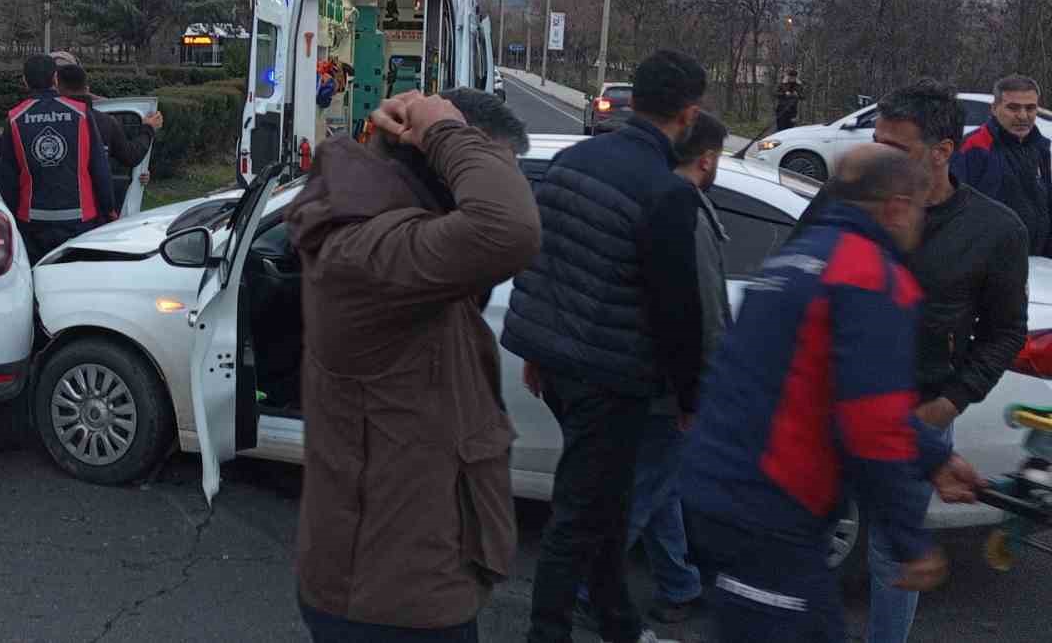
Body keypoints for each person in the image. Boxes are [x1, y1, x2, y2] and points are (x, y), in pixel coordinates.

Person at [683, 144, 982, 643]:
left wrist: (932, 456)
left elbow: (834, 392)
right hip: (770, 506)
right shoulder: (870, 276)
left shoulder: (797, 257)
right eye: (920, 208)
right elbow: (870, 425)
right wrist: (910, 539)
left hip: (724, 492)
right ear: (896, 206)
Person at [286, 88, 541, 642]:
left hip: (409, 576)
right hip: (389, 602)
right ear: (442, 167)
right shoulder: (364, 255)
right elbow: (509, 229)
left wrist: (443, 139)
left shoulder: (395, 234)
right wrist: (448, 130)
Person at [791, 80, 1028, 643]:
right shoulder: (844, 201)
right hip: (830, 411)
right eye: (874, 143)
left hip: (920, 415)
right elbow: (799, 278)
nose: (875, 159)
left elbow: (1004, 332)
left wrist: (948, 404)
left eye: (894, 149)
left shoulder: (995, 231)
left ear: (942, 151)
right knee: (800, 545)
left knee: (894, 559)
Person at [503, 49, 709, 643]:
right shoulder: (666, 191)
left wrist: (537, 352)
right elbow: (677, 308)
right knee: (578, 515)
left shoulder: (573, 160)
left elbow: (542, 264)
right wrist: (690, 395)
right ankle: (547, 632)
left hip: (561, 367)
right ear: (688, 114)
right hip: (610, 376)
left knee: (608, 507)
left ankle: (619, 624)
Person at [575, 110, 731, 628]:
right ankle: (588, 590)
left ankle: (679, 583)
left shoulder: (652, 196)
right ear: (706, 160)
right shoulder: (686, 211)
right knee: (642, 492)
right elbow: (704, 312)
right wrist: (697, 394)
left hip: (643, 374)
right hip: (669, 386)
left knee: (658, 486)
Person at [0, 53, 116, 264]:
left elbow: (8, 177)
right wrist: (109, 210)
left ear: (25, 80)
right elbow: (99, 167)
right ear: (55, 79)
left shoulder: (14, 118)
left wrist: (10, 217)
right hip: (80, 219)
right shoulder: (81, 113)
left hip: (32, 221)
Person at [952, 75, 1051, 256]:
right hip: (991, 263)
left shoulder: (1041, 148)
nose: (1023, 116)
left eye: (1030, 108)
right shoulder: (972, 148)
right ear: (994, 109)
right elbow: (954, 212)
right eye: (1013, 108)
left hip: (1038, 263)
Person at [55, 62, 163, 209]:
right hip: (93, 207)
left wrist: (142, 175)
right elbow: (131, 156)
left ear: (56, 87)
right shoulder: (105, 121)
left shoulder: (40, 122)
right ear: (86, 88)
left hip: (52, 207)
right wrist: (148, 129)